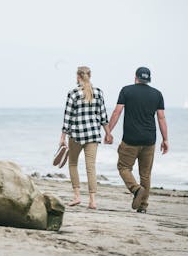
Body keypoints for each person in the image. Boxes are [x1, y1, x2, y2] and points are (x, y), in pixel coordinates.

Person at [106, 67, 169, 213]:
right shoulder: (157, 94)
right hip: (149, 140)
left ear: (135, 77)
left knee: (123, 167)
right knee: (145, 174)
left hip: (130, 139)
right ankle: (143, 206)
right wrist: (165, 139)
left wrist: (108, 131)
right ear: (149, 79)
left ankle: (136, 189)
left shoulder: (126, 91)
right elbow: (161, 118)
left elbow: (117, 112)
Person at [59, 66, 112, 209]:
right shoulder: (98, 92)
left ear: (78, 77)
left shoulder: (73, 93)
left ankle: (77, 196)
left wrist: (63, 137)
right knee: (91, 167)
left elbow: (67, 117)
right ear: (90, 76)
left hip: (76, 135)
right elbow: (103, 116)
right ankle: (92, 201)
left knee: (73, 164)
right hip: (93, 134)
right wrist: (108, 133)